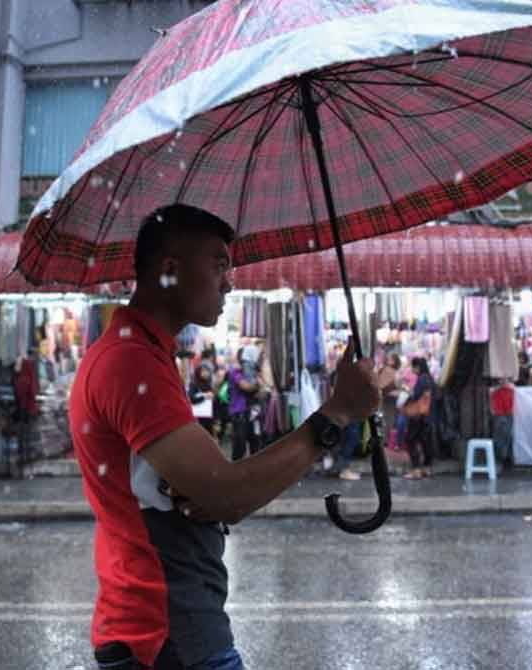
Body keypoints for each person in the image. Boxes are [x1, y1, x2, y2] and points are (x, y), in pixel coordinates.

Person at [69, 204, 379, 670]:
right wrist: (334, 414)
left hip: (169, 628)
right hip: (168, 633)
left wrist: (206, 492)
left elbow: (210, 488)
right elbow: (227, 493)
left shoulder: (143, 354)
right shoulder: (131, 361)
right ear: (169, 270)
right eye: (218, 264)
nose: (230, 281)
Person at [402, 357, 435, 480]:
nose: (412, 369)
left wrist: (408, 392)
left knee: (410, 440)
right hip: (428, 417)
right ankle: (427, 468)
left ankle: (416, 470)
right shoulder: (430, 379)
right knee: (425, 441)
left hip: (418, 416)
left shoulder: (421, 379)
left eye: (413, 367)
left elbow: (416, 396)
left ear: (418, 367)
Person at [228, 347, 262, 461]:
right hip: (239, 413)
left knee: (255, 441)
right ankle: (235, 470)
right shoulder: (235, 371)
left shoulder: (256, 372)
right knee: (240, 444)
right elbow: (246, 387)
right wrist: (258, 384)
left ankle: (253, 470)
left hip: (253, 411)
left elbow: (261, 394)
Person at [188, 363, 216, 436]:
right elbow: (192, 399)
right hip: (199, 417)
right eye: (203, 371)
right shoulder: (194, 384)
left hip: (208, 417)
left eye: (207, 371)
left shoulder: (209, 384)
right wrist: (205, 396)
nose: (206, 373)